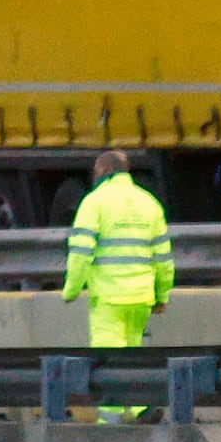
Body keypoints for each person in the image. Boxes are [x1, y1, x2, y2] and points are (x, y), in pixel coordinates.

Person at [61, 149, 172, 353]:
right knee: (132, 361)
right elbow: (163, 258)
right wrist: (161, 296)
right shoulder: (149, 202)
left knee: (108, 361)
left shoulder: (93, 203)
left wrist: (72, 289)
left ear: (104, 169)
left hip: (109, 299)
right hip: (141, 298)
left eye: (95, 172)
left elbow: (81, 253)